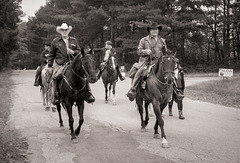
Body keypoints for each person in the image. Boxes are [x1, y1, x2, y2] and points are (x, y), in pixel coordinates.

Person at [47, 23, 95, 105]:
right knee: (55, 76)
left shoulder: (73, 40)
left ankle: (88, 94)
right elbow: (52, 54)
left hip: (73, 63)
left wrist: (73, 51)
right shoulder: (55, 41)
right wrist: (50, 64)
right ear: (60, 31)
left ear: (68, 31)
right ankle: (56, 96)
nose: (64, 31)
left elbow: (79, 51)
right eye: (63, 30)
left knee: (84, 74)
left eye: (66, 30)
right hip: (60, 64)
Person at [126, 22, 168, 101]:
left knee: (171, 73)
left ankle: (173, 91)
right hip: (147, 62)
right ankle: (133, 89)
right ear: (149, 31)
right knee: (139, 72)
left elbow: (165, 52)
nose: (154, 31)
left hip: (160, 62)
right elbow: (139, 51)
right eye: (152, 30)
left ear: (158, 30)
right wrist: (146, 51)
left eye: (156, 29)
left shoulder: (162, 41)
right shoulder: (143, 40)